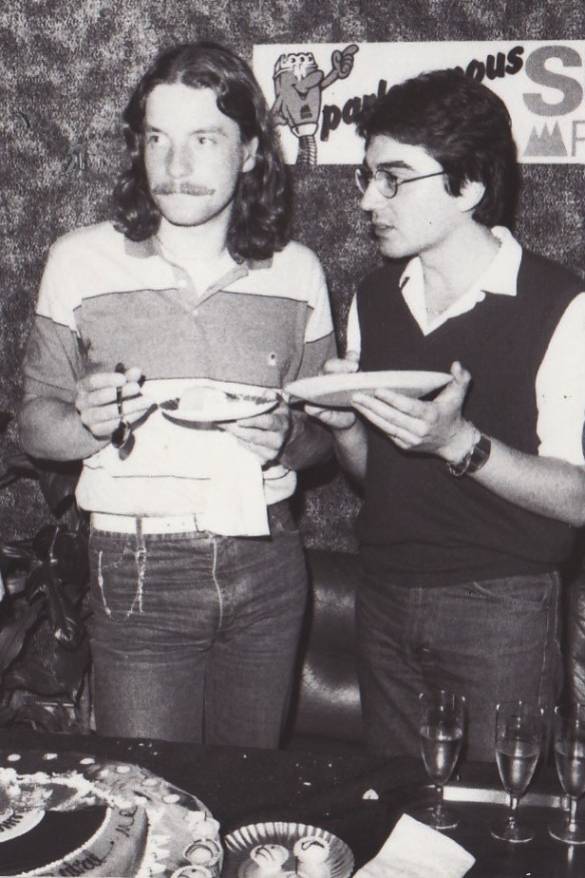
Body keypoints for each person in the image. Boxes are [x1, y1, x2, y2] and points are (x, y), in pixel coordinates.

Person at [18, 42, 336, 747]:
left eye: (204, 139)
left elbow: (325, 442)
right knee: (153, 792)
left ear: (250, 152)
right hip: (137, 566)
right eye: (158, 139)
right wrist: (86, 422)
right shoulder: (78, 260)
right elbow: (34, 426)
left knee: (247, 788)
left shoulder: (299, 272)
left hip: (268, 559)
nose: (175, 165)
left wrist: (291, 437)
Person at [309, 69, 585, 761]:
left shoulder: (563, 306)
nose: (368, 199)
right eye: (367, 177)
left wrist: (459, 442)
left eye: (393, 179)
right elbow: (376, 477)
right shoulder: (373, 298)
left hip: (501, 606)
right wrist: (344, 424)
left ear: (468, 187)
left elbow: (577, 498)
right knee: (400, 809)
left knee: (500, 811)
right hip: (382, 593)